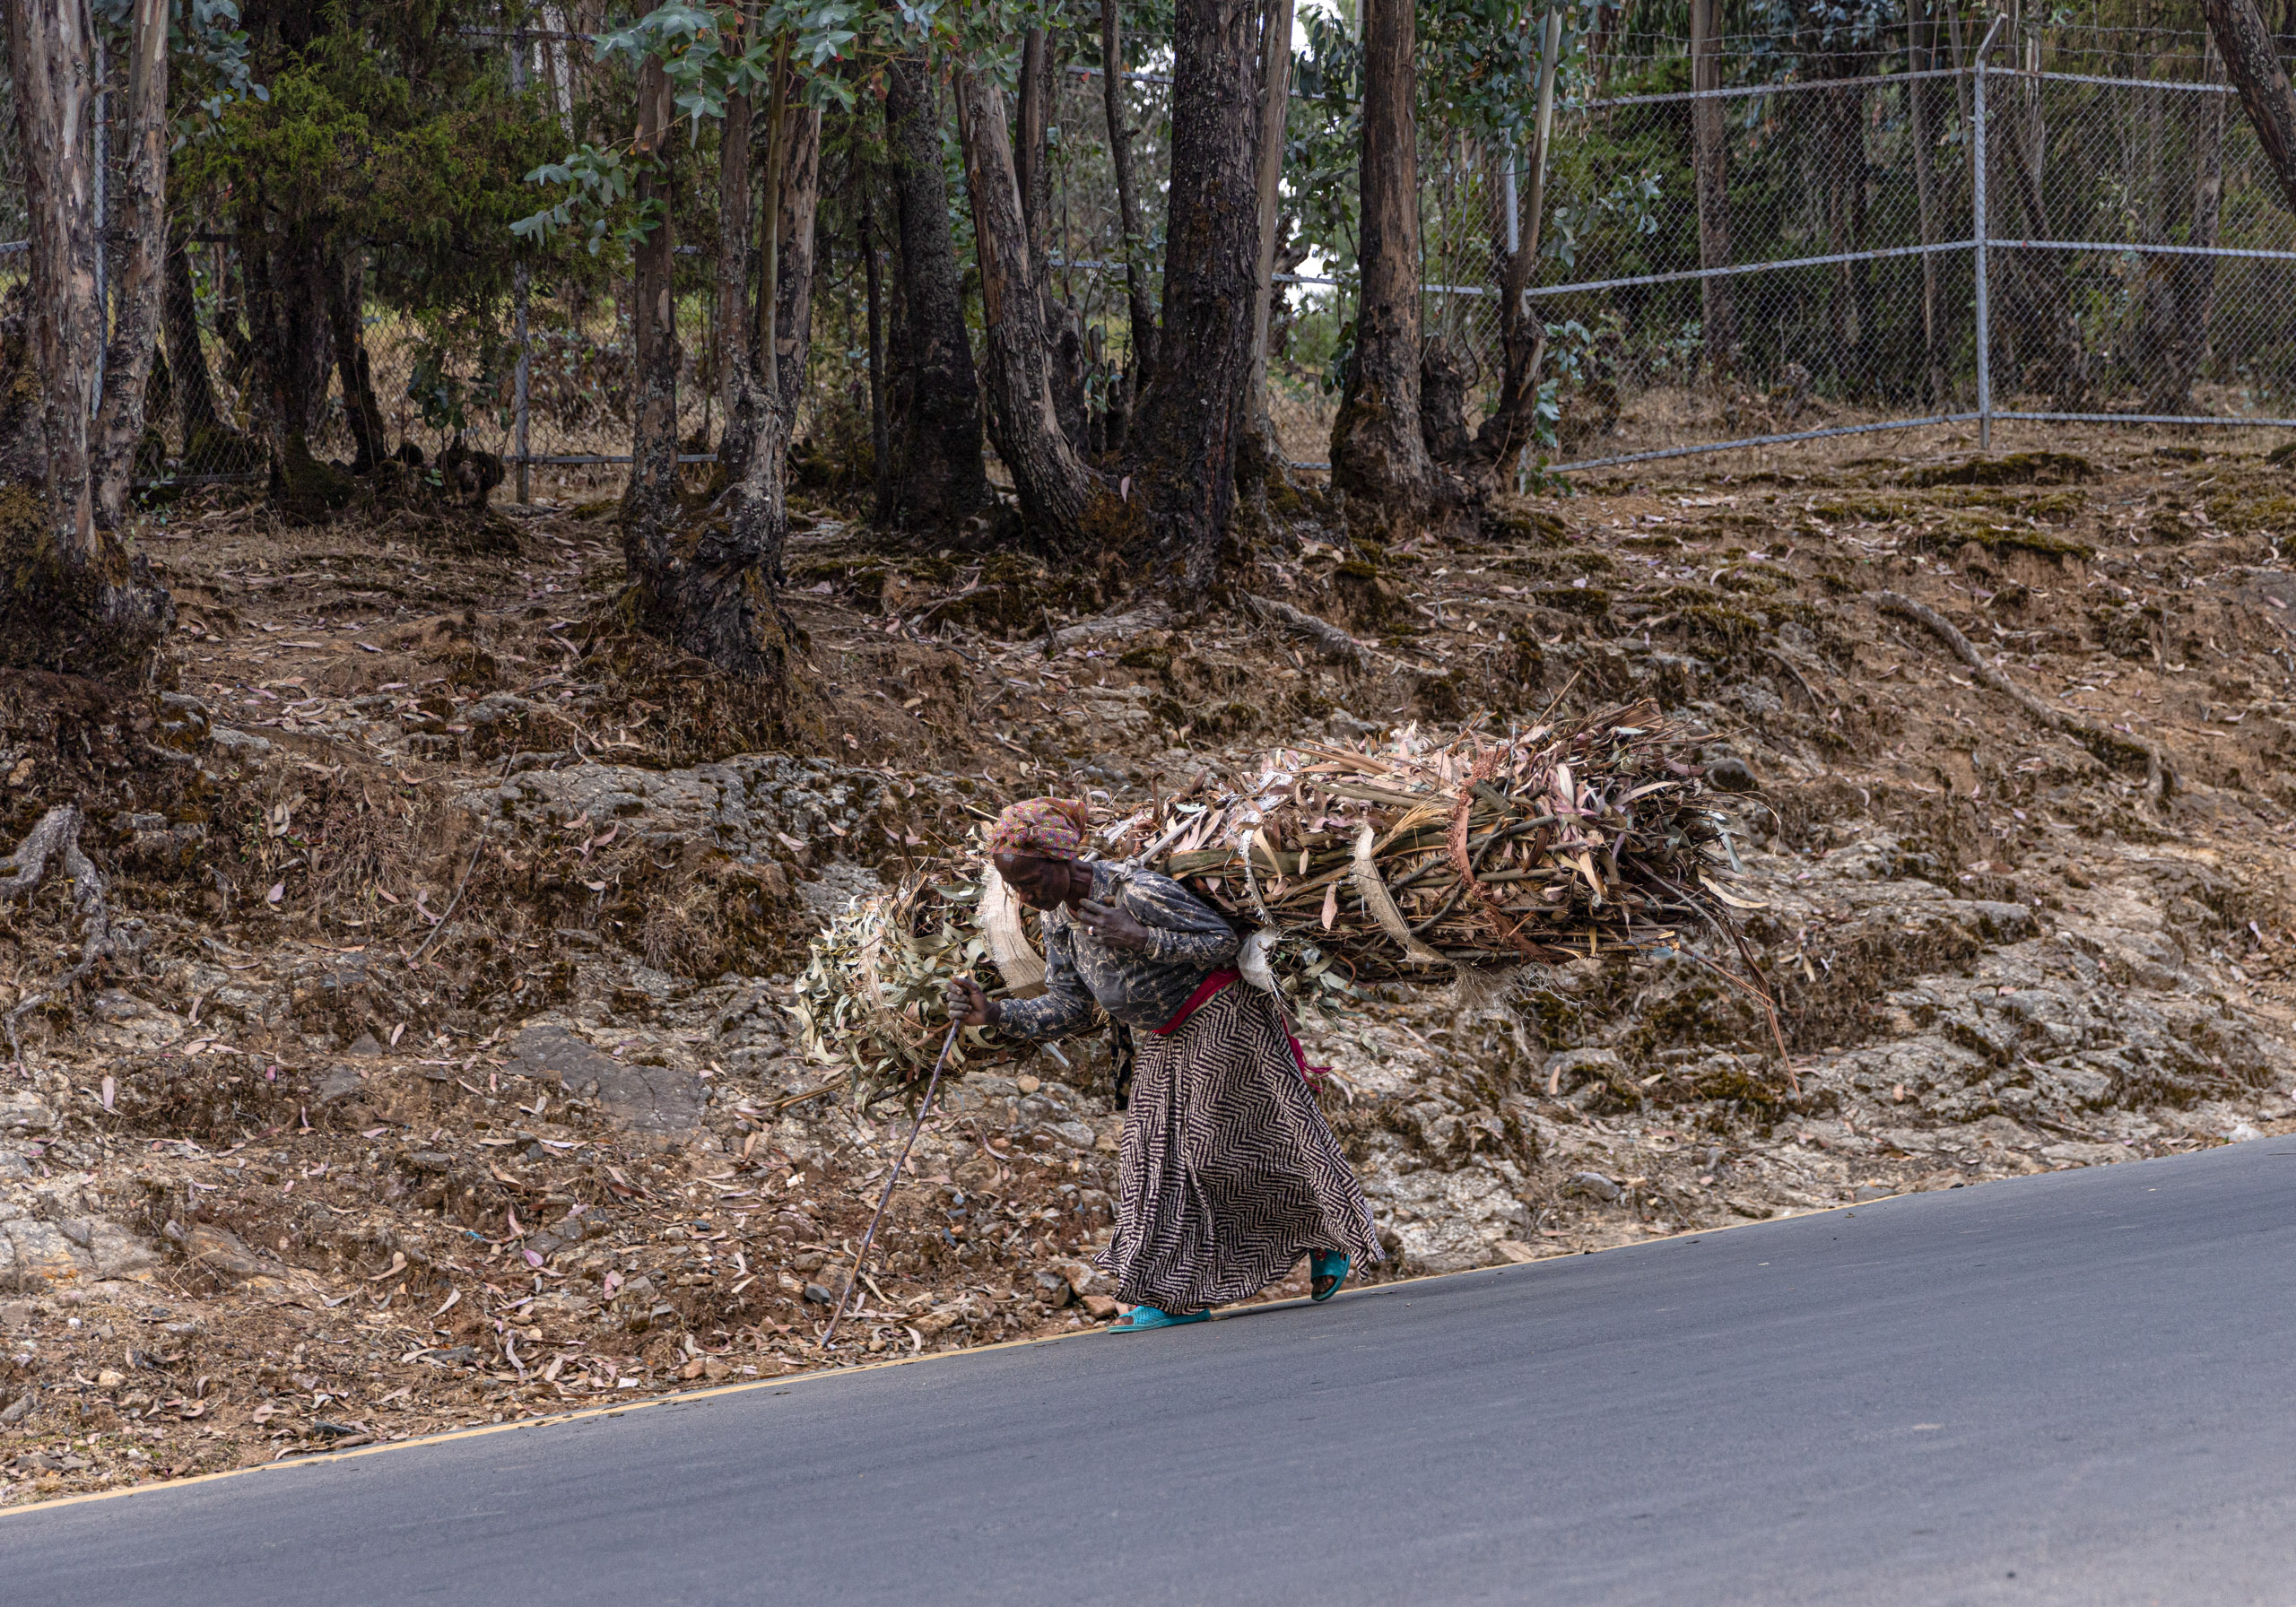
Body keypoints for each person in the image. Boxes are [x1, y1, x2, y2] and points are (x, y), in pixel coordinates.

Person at [947, 796, 1380, 1332]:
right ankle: (1176, 1293)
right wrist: (992, 1013)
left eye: (1032, 881)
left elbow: (1220, 942)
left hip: (1223, 1014)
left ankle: (1323, 1233)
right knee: (1149, 1166)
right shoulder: (1058, 922)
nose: (1025, 895)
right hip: (1163, 1036)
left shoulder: (1135, 890)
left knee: (1214, 1153)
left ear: (1063, 862)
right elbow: (1070, 1006)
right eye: (1016, 886)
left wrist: (1139, 936)